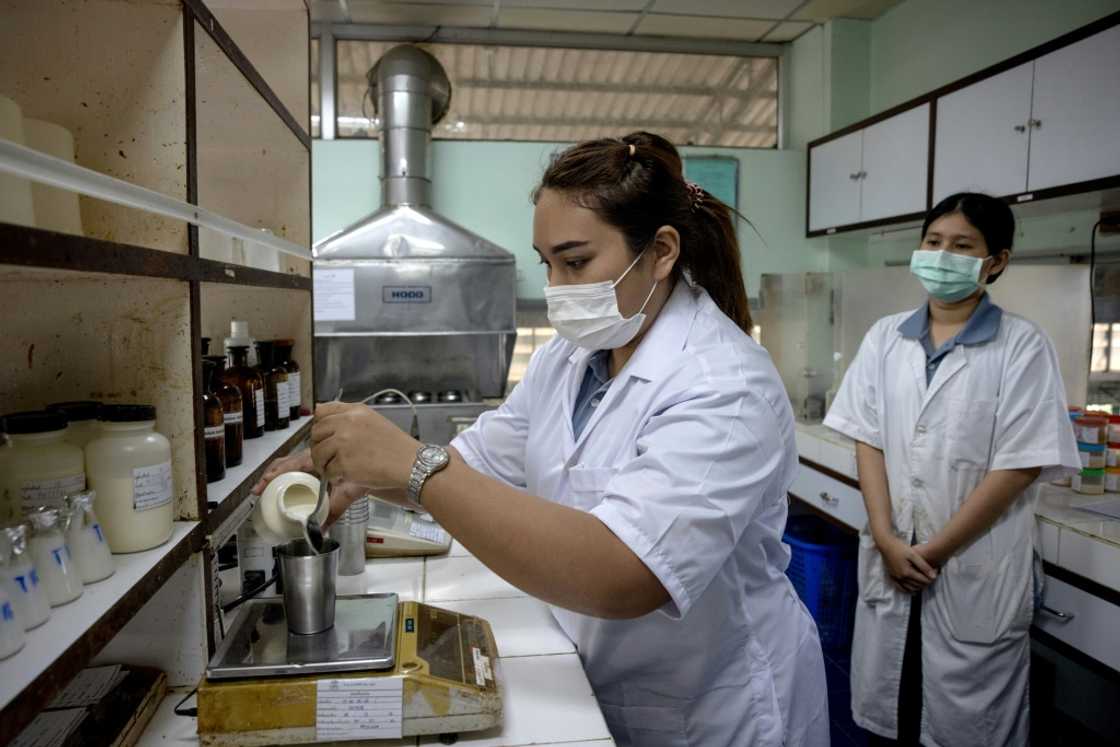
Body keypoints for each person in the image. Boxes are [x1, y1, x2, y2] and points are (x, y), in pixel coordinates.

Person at [256, 132, 829, 746]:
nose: (556, 287)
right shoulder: (571, 359)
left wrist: (409, 463)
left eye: (575, 261)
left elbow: (625, 572)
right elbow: (470, 468)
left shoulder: (725, 384)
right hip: (600, 681)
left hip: (715, 709)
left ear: (662, 251)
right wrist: (357, 470)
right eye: (546, 263)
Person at [824, 192, 1080, 747]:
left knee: (967, 722)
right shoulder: (885, 336)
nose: (942, 255)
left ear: (996, 262)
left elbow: (1019, 465)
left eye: (962, 246)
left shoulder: (1022, 346)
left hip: (971, 562)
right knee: (892, 706)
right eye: (933, 242)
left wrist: (933, 550)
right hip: (894, 550)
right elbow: (868, 442)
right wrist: (888, 539)